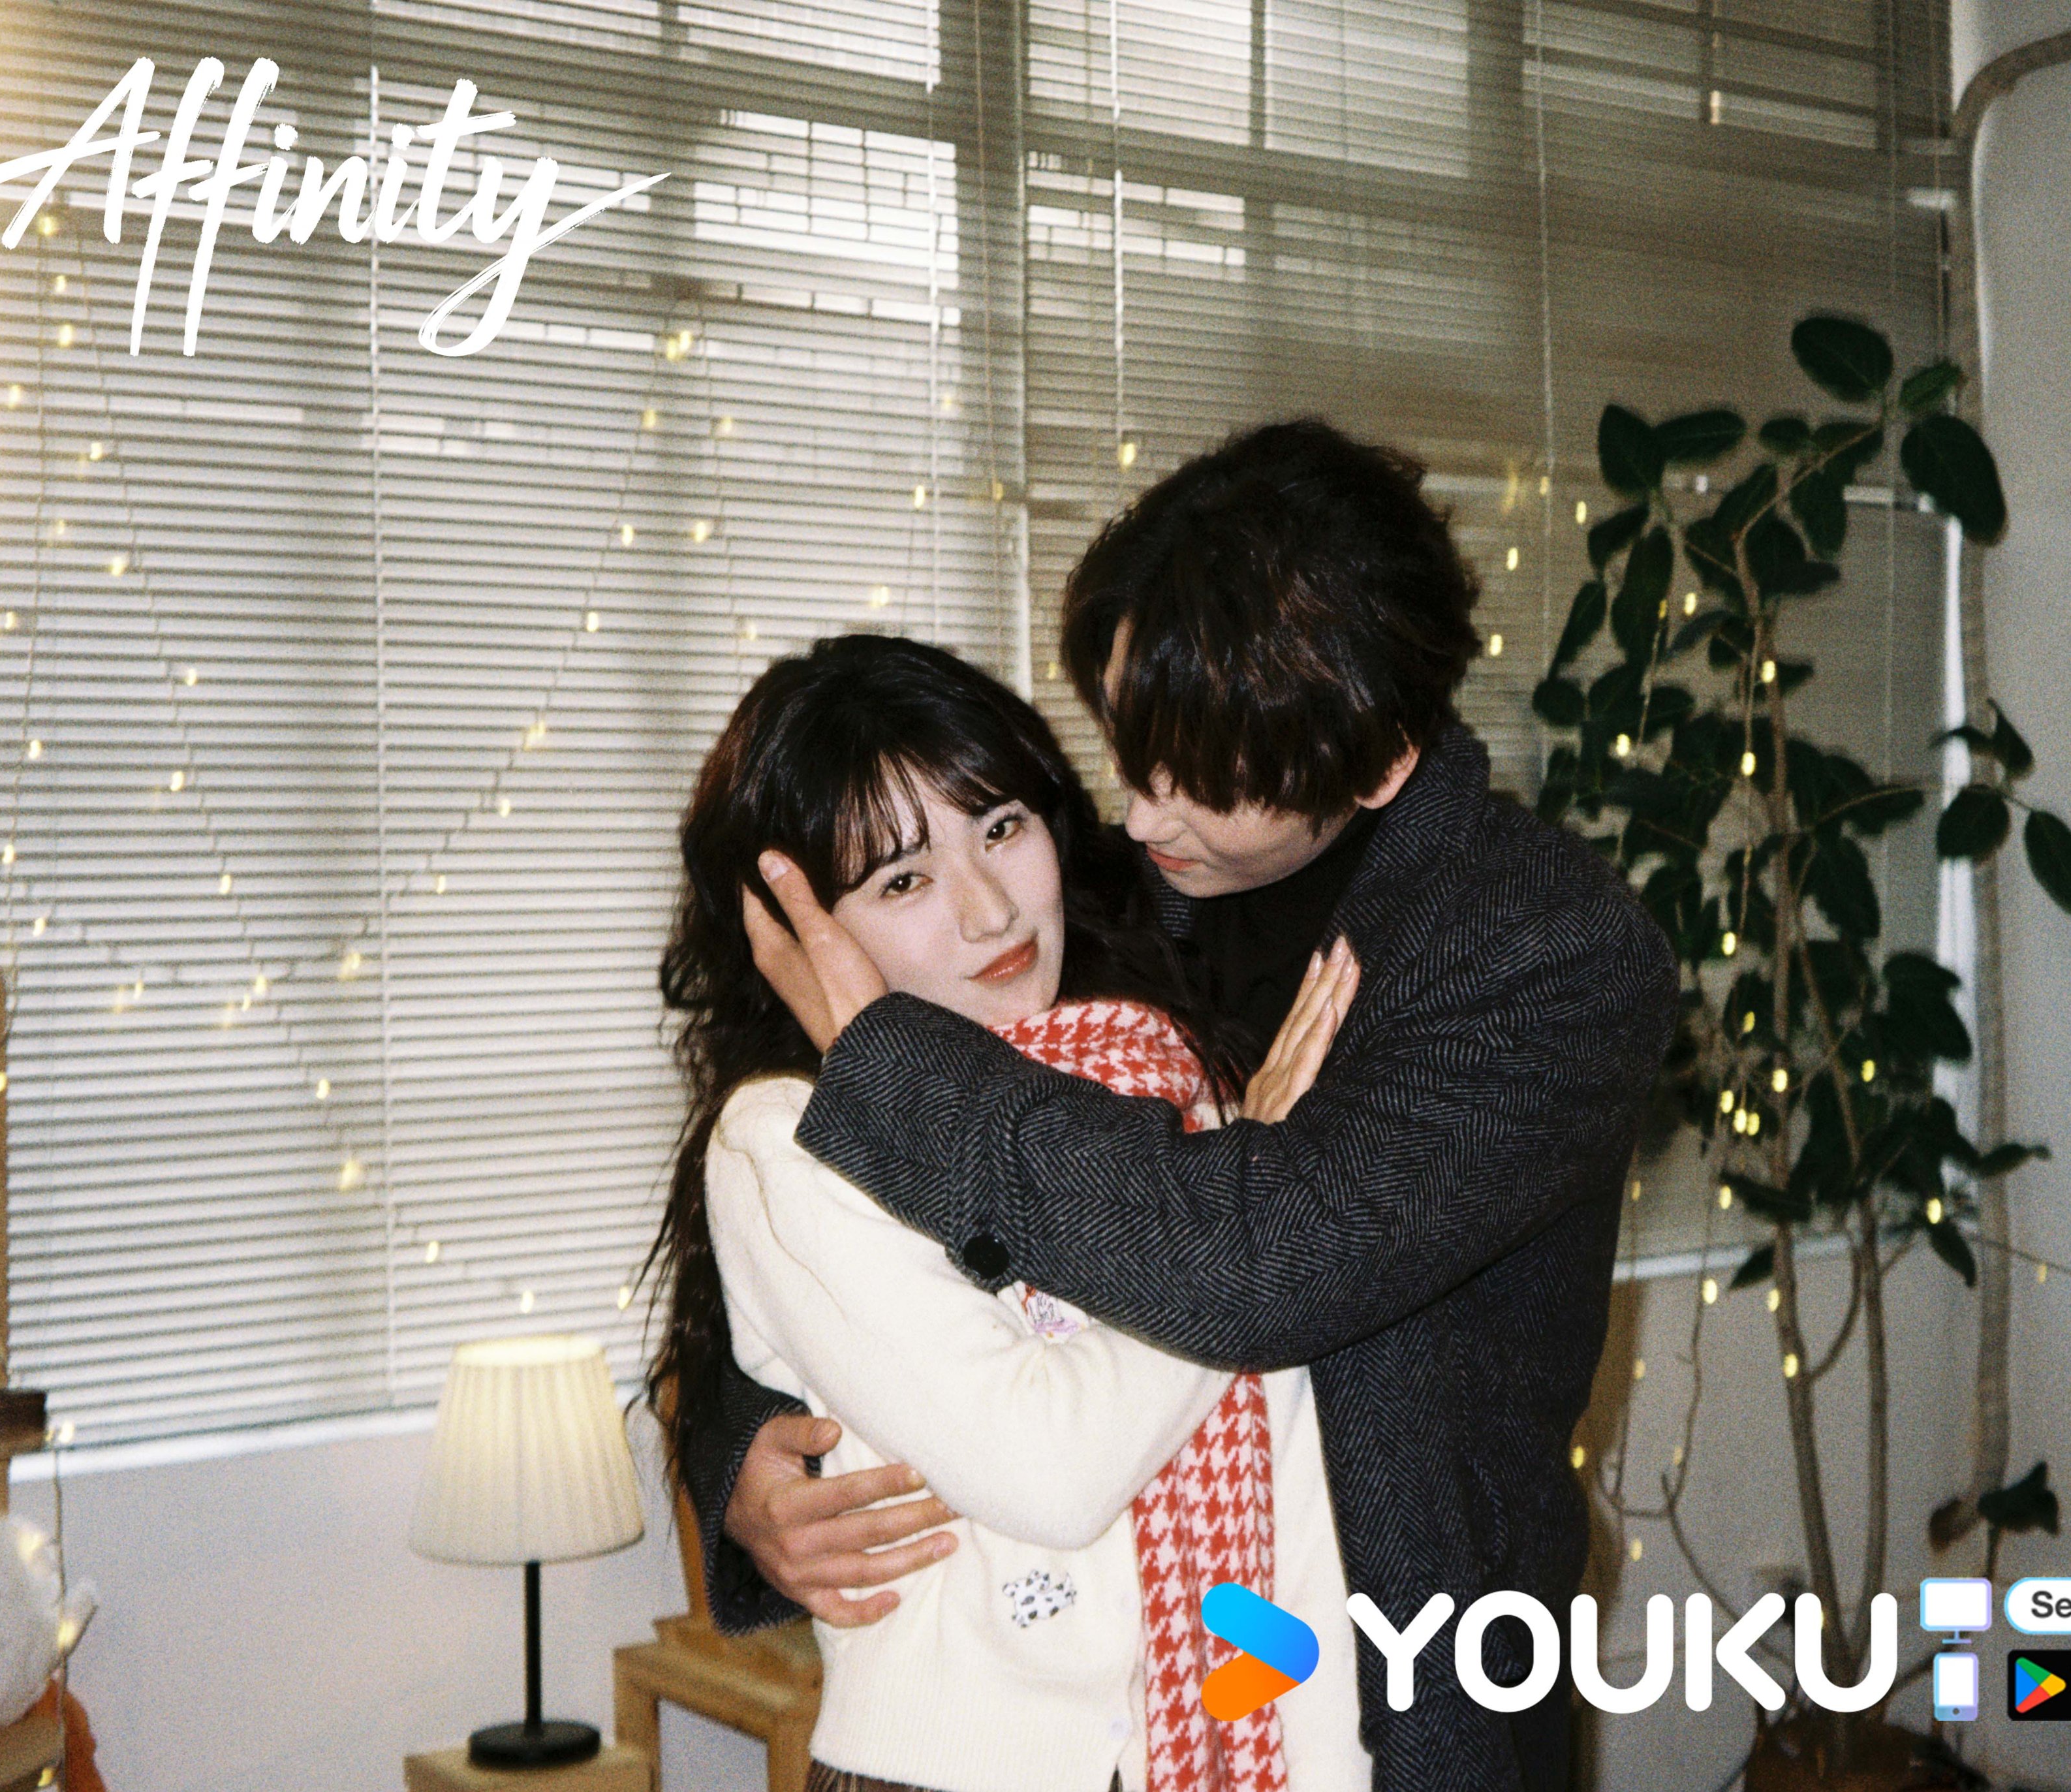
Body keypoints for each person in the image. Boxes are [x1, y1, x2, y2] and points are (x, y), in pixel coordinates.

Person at [696, 420, 1681, 1792]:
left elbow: (1252, 1263)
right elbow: (807, 1225)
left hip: (1402, 1706)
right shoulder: (1109, 898)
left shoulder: (1542, 952)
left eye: (1196, 775)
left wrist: (887, 1068)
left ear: (1373, 763)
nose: (1140, 815)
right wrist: (746, 1449)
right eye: (1127, 748)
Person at [647, 635, 1370, 1792]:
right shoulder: (787, 1138)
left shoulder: (1173, 1056)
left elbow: (1300, 1500)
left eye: (1000, 826)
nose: (989, 911)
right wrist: (1242, 1205)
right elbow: (1050, 1469)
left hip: (1237, 1748)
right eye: (902, 880)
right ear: (792, 936)